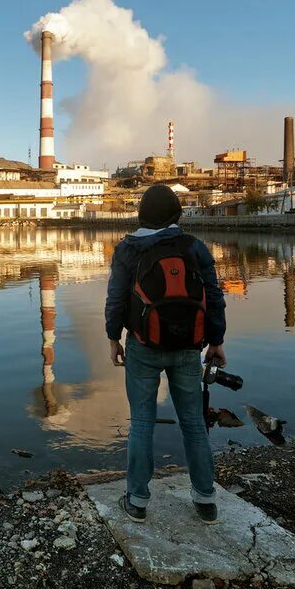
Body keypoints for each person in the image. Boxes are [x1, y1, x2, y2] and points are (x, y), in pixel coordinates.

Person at [104, 184, 227, 525]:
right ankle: (205, 500)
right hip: (189, 347)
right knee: (193, 423)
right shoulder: (194, 247)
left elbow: (115, 299)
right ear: (176, 216)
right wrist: (216, 340)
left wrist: (113, 337)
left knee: (141, 423)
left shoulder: (127, 249)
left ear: (141, 214)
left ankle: (138, 500)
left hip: (143, 346)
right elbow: (214, 296)